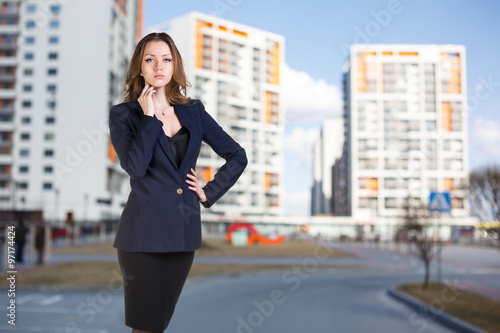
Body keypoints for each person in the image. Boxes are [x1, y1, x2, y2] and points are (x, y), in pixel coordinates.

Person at [109, 32, 247, 333]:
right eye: (150, 59)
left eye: (166, 59)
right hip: (142, 237)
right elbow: (134, 167)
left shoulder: (193, 111)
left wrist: (208, 191)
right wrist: (149, 118)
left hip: (182, 236)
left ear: (174, 66)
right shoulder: (124, 115)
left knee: (158, 326)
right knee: (144, 326)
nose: (159, 65)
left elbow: (237, 155)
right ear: (140, 68)